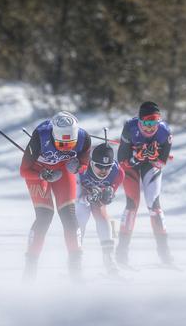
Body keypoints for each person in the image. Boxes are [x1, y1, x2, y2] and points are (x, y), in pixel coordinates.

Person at [19, 111, 91, 280]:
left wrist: (78, 167)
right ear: (53, 136)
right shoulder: (40, 136)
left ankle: (76, 269)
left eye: (70, 144)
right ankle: (30, 268)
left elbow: (85, 163)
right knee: (45, 216)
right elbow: (24, 171)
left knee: (69, 216)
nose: (66, 148)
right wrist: (42, 175)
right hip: (38, 172)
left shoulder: (83, 138)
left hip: (63, 172)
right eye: (61, 144)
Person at [116, 101, 173, 266]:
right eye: (146, 123)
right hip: (131, 166)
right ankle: (122, 252)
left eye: (154, 123)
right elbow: (122, 161)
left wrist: (154, 157)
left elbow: (162, 163)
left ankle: (164, 253)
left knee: (154, 206)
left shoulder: (165, 132)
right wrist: (137, 157)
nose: (150, 128)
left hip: (150, 165)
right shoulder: (130, 127)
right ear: (139, 121)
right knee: (132, 205)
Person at [75, 142, 124, 275]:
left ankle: (108, 259)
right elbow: (76, 198)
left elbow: (107, 198)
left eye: (107, 166)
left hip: (96, 197)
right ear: (91, 163)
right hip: (81, 197)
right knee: (80, 220)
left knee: (103, 218)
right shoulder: (81, 170)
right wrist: (88, 198)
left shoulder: (118, 172)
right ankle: (75, 261)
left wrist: (108, 193)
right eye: (99, 166)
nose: (103, 170)